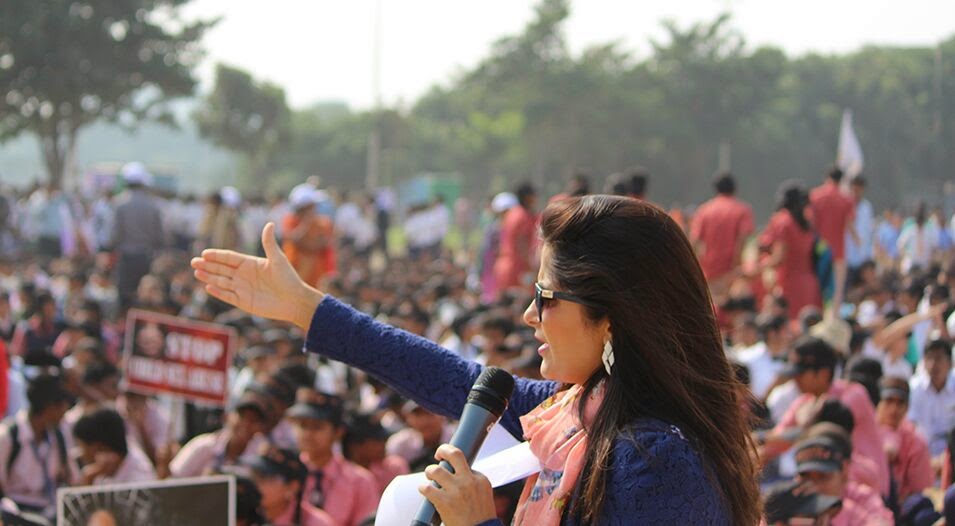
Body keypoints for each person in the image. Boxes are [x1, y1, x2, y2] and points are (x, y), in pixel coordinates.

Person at [192, 195, 762, 525]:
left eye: (545, 297)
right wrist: (305, 307)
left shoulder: (658, 461)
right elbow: (457, 380)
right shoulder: (584, 410)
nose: (529, 316)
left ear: (612, 316)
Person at [285, 389, 379, 526]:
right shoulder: (284, 474)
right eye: (303, 425)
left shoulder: (359, 481)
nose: (308, 434)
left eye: (317, 427)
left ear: (338, 432)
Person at [0, 374, 76, 516]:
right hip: (14, 511)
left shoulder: (58, 436)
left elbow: (72, 480)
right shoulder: (9, 436)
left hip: (49, 510)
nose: (65, 410)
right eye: (62, 405)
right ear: (49, 407)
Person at [792, 426, 892, 526]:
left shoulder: (860, 502)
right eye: (806, 477)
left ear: (844, 471)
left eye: (823, 477)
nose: (814, 486)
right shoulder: (789, 504)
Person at [760, 181, 822, 321]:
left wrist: (757, 269)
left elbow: (779, 258)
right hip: (809, 283)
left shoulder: (783, 221)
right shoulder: (807, 223)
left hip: (789, 283)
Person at [111, 162, 164, 312]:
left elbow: (114, 235)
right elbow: (159, 236)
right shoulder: (153, 205)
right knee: (143, 296)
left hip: (126, 257)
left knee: (124, 295)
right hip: (146, 256)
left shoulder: (119, 204)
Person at [689, 171, 755, 291]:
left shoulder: (704, 210)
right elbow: (741, 240)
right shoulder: (742, 210)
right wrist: (736, 268)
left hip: (708, 272)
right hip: (731, 274)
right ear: (735, 189)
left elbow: (694, 242)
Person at [875, 377, 933, 502]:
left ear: (907, 407)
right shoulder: (865, 433)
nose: (894, 409)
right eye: (889, 401)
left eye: (900, 403)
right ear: (878, 403)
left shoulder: (916, 442)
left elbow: (919, 490)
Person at [245, 445, 336, 526]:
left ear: (292, 487)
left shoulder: (317, 523)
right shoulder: (243, 514)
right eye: (254, 475)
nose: (254, 483)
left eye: (263, 478)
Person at [809, 167, 855, 313]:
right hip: (838, 250)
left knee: (817, 285)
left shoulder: (815, 196)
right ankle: (833, 317)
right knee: (837, 290)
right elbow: (850, 224)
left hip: (818, 249)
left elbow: (810, 222)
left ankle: (817, 314)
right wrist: (858, 240)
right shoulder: (846, 199)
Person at [72, 408, 156, 485]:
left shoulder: (140, 478)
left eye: (82, 446)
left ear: (99, 447)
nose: (81, 453)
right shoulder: (100, 470)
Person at [907, 337, 955, 458]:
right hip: (921, 454)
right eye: (929, 358)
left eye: (939, 358)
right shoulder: (914, 388)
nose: (933, 364)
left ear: (950, 363)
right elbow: (910, 425)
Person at [493, 183, 538, 297]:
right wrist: (531, 266)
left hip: (504, 264)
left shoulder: (512, 214)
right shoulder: (523, 216)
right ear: (527, 197)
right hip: (516, 266)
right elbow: (521, 243)